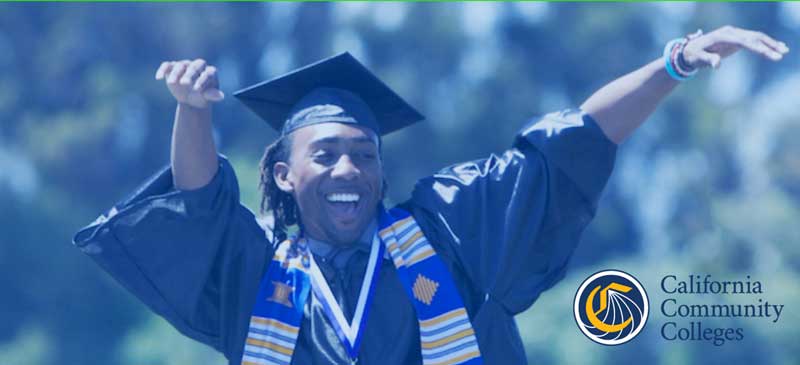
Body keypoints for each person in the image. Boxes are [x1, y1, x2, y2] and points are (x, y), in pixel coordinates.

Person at [73, 26, 788, 365]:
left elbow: (569, 145)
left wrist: (673, 63)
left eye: (363, 153)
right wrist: (193, 112)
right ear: (285, 174)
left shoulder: (450, 233)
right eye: (326, 153)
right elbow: (198, 204)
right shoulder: (256, 278)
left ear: (382, 173)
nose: (349, 167)